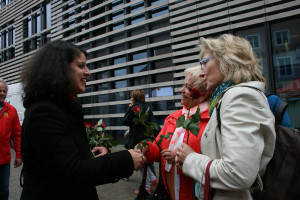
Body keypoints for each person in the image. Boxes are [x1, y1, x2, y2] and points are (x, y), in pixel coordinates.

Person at [20, 40, 145, 200]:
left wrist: (92, 153)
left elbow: (63, 158)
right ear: (60, 69)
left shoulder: (61, 108)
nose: (88, 72)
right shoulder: (45, 112)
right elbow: (72, 172)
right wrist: (126, 159)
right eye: (81, 66)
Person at [176, 34, 276, 200]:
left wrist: (190, 159)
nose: (201, 74)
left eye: (204, 63)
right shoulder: (226, 98)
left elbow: (238, 174)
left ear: (227, 60)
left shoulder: (239, 96)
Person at [137, 66, 210, 200]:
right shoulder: (173, 118)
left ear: (203, 94)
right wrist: (145, 147)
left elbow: (211, 162)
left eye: (188, 88)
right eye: (183, 85)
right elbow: (157, 148)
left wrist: (179, 157)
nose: (181, 90)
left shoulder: (210, 121)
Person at [123, 89, 158, 194]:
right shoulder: (147, 107)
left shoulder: (135, 108)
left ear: (135, 98)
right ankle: (153, 180)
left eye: (131, 97)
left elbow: (125, 121)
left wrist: (129, 108)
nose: (130, 99)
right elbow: (152, 123)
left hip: (138, 141)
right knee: (145, 164)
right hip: (146, 139)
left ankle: (146, 188)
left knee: (142, 164)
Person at [0, 78, 22, 200]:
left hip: (4, 160)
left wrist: (18, 155)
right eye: (0, 91)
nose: (2, 93)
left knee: (3, 190)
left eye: (4, 91)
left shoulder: (11, 111)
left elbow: (17, 135)